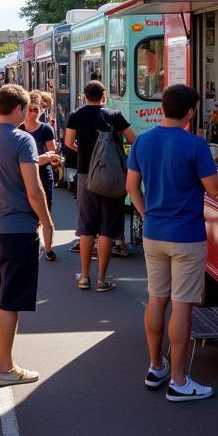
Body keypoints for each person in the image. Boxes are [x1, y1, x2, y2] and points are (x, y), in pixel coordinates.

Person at [126, 83, 218, 402]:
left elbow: (132, 187)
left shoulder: (142, 141)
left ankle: (156, 365)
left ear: (162, 107)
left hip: (154, 232)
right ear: (190, 112)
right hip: (186, 235)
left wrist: (147, 214)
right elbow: (214, 189)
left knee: (157, 299)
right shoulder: (195, 145)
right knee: (182, 304)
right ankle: (179, 380)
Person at [0, 84, 54, 385]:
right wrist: (47, 223)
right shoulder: (23, 139)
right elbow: (34, 189)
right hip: (17, 229)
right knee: (10, 300)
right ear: (18, 109)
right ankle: (6, 367)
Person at [64, 80, 137, 291]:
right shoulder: (114, 115)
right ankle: (102, 279)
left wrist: (85, 152)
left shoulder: (76, 115)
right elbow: (132, 139)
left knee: (87, 227)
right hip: (112, 176)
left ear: (84, 95)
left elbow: (68, 143)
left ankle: (84, 277)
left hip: (87, 175)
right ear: (103, 96)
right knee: (107, 229)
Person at [19, 93, 60, 260]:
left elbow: (53, 153)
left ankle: (49, 250)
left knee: (45, 212)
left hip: (43, 174)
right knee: (27, 213)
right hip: (23, 175)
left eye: (36, 110)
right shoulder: (19, 129)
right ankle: (31, 245)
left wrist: (55, 160)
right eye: (30, 110)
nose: (33, 113)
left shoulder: (45, 129)